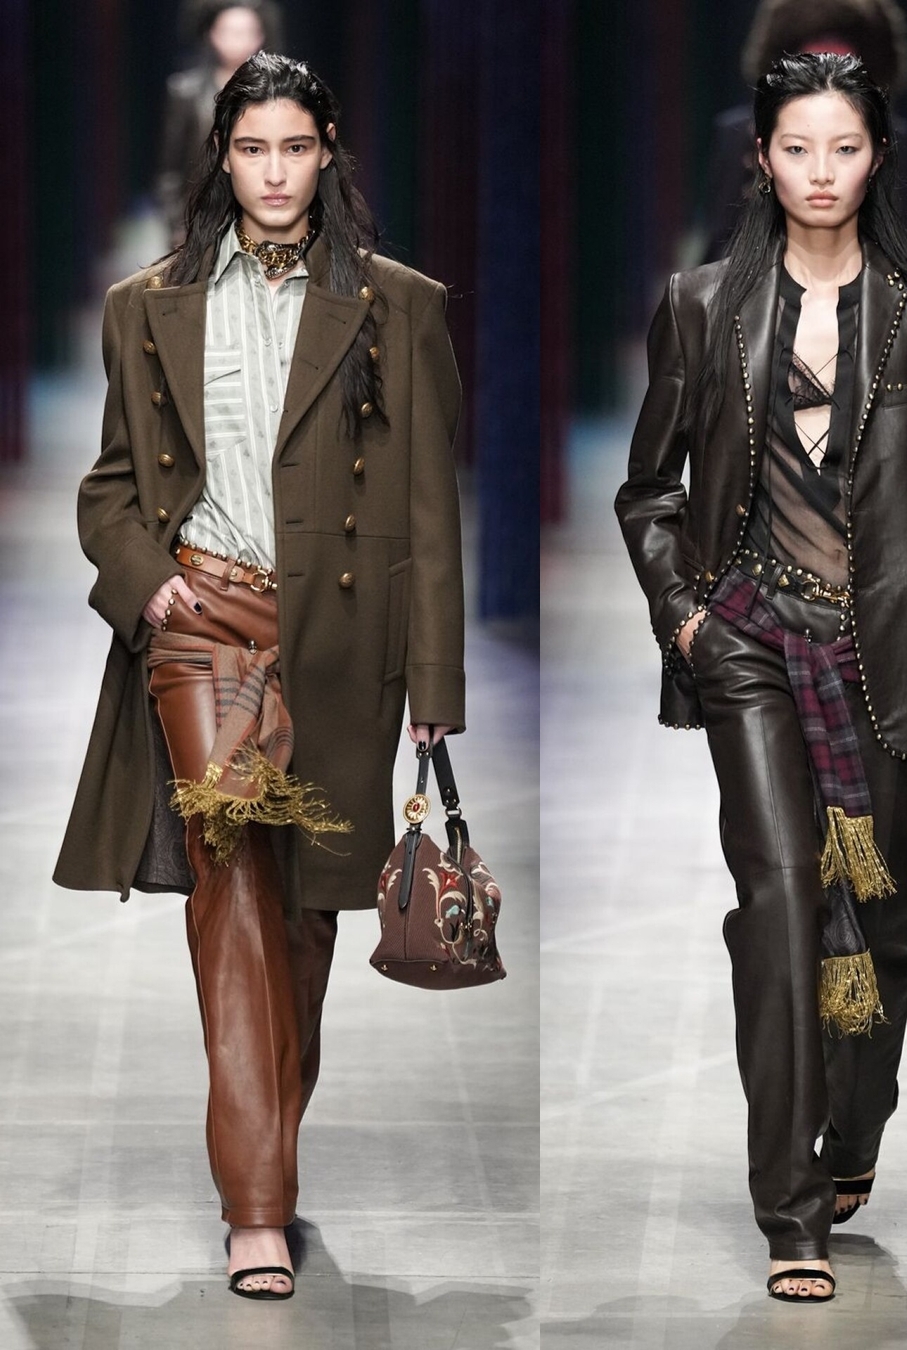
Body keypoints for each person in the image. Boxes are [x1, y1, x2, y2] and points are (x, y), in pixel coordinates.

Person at [55, 51, 464, 1300]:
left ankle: (268, 1149)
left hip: (338, 635)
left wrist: (434, 690)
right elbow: (112, 486)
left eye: (294, 147)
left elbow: (429, 507)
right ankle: (256, 1207)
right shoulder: (148, 305)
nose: (274, 173)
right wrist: (148, 584)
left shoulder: (398, 305)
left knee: (304, 917)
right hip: (204, 628)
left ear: (327, 150)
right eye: (251, 150)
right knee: (229, 885)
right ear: (221, 159)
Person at [615, 52, 907, 1303]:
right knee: (784, 897)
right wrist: (685, 620)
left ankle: (854, 1132)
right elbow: (648, 488)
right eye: (798, 149)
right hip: (748, 644)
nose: (821, 172)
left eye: (844, 148)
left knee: (876, 920)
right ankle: (790, 1208)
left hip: (887, 655)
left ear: (877, 157)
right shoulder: (701, 306)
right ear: (762, 159)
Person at [699, 0, 907, 262]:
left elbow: (902, 246)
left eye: (846, 149)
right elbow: (720, 241)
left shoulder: (893, 138)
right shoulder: (739, 134)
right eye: (796, 149)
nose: (827, 59)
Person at [157, 2, 283, 246]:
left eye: (247, 32)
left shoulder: (279, 92)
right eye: (230, 32)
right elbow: (169, 171)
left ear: (260, 37)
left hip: (262, 217)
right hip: (202, 218)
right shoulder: (186, 92)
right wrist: (177, 227)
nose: (238, 40)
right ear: (213, 34)